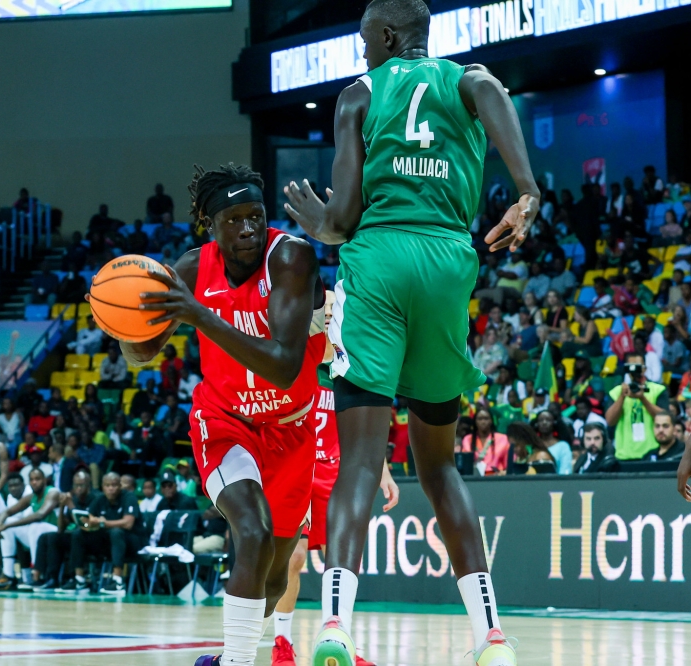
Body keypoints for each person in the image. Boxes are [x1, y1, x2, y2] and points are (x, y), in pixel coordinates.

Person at [282, 0, 539, 660]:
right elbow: (490, 90)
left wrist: (316, 223)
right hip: (447, 264)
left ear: (389, 35)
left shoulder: (359, 94)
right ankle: (491, 636)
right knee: (439, 465)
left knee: (360, 462)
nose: (362, 51)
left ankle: (334, 626)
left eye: (366, 39)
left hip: (380, 263)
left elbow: (342, 219)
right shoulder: (463, 79)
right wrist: (527, 190)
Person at [123, 163, 334, 666]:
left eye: (255, 216)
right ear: (210, 225)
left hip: (292, 427)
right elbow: (141, 355)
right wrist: (125, 322)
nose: (248, 229)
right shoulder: (192, 269)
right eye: (234, 220)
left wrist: (199, 315)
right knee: (252, 533)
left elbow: (284, 365)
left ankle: (226, 657)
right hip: (225, 421)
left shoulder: (291, 257)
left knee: (275, 578)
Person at [272, 298, 400, 666]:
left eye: (333, 308)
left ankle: (339, 640)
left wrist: (383, 470)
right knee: (294, 558)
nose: (328, 313)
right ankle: (282, 642)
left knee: (340, 560)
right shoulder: (297, 358)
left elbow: (365, 427)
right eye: (323, 308)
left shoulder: (350, 364)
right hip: (298, 468)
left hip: (335, 472)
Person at [60, 472, 144, 596]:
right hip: (110, 543)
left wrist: (102, 523)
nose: (111, 488)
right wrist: (88, 524)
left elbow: (128, 523)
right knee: (78, 534)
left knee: (116, 532)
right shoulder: (100, 499)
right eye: (107, 485)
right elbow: (88, 520)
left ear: (120, 486)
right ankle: (79, 580)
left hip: (132, 542)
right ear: (102, 487)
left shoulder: (129, 497)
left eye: (114, 485)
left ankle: (118, 581)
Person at [0, 470, 62, 590]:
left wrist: (7, 526)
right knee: (8, 522)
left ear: (45, 480)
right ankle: (8, 575)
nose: (34, 482)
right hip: (38, 536)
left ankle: (37, 575)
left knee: (35, 526)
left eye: (37, 479)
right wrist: (0, 525)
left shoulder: (53, 492)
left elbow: (40, 515)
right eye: (31, 480)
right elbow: (7, 512)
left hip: (57, 533)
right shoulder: (32, 497)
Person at [34, 470, 100, 590]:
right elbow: (60, 529)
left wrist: (70, 506)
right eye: (76, 485)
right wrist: (62, 507)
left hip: (94, 539)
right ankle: (48, 578)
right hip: (78, 539)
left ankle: (76, 578)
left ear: (88, 485)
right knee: (49, 537)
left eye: (81, 485)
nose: (78, 488)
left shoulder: (97, 498)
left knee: (76, 534)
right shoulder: (74, 499)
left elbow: (85, 525)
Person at [606, 351, 669, 460]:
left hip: (652, 452)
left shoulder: (657, 390)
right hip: (624, 454)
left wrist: (643, 398)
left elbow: (665, 418)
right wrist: (622, 397)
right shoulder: (617, 392)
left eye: (638, 367)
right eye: (631, 366)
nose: (634, 370)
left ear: (645, 369)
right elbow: (610, 421)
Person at [461, 408, 510, 475]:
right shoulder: (468, 439)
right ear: (475, 421)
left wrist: (502, 473)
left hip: (496, 477)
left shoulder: (502, 438)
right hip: (474, 477)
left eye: (486, 418)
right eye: (480, 419)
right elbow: (466, 462)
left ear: (491, 421)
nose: (483, 422)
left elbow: (508, 466)